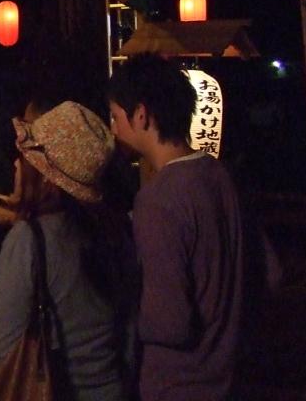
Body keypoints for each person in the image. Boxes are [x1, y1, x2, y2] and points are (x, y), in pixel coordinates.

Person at [0, 101, 134, 401]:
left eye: (24, 157)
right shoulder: (114, 230)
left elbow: (3, 348)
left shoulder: (29, 240)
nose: (17, 164)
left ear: (45, 176)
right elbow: (129, 333)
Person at [108, 53, 243, 400]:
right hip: (228, 378)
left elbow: (170, 323)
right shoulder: (221, 176)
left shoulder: (157, 201)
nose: (114, 130)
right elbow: (269, 274)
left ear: (141, 114)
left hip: (178, 383)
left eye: (116, 117)